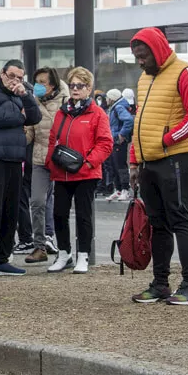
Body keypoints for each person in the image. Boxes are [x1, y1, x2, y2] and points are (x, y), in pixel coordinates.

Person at [127, 27, 188, 306]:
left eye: (143, 55)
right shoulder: (144, 79)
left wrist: (167, 139)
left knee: (179, 219)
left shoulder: (186, 72)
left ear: (157, 51)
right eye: (136, 56)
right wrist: (134, 160)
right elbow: (139, 120)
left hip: (174, 157)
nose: (139, 61)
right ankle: (160, 283)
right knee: (158, 223)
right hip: (149, 159)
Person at [45, 67, 114, 274]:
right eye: (72, 85)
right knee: (59, 214)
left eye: (80, 86)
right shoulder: (61, 112)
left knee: (83, 215)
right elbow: (52, 138)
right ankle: (64, 253)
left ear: (89, 88)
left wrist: (89, 163)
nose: (75, 89)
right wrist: (51, 161)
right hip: (62, 172)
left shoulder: (97, 113)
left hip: (86, 173)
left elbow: (105, 143)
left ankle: (83, 255)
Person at [0, 59, 42, 278]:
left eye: (19, 77)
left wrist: (25, 96)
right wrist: (19, 117)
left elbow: (36, 117)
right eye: (11, 75)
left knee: (11, 210)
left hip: (15, 157)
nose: (15, 81)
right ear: (2, 73)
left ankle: (2, 258)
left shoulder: (20, 95)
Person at [23, 66, 64, 264]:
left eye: (43, 82)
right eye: (36, 82)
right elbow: (29, 132)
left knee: (61, 206)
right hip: (40, 159)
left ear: (53, 84)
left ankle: (65, 248)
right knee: (37, 201)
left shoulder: (66, 100)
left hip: (64, 160)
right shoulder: (32, 103)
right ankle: (39, 246)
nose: (38, 86)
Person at [106, 88, 135, 202]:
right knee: (114, 165)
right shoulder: (115, 107)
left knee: (120, 165)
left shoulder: (118, 107)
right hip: (114, 140)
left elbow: (128, 120)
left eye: (108, 97)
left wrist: (121, 135)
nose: (106, 99)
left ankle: (125, 190)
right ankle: (118, 189)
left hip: (118, 142)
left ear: (112, 98)